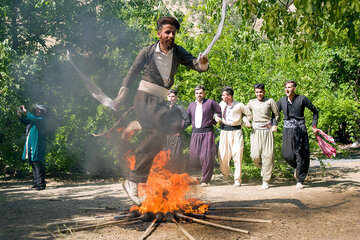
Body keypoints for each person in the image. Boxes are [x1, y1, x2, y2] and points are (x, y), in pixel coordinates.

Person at [114, 17, 209, 205]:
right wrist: (122, 95)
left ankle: (140, 125)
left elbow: (196, 65)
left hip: (160, 102)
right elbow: (131, 74)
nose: (171, 35)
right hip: (144, 97)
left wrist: (203, 62)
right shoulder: (147, 52)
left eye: (173, 32)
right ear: (159, 34)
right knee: (155, 135)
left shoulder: (178, 52)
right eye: (167, 32)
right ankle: (133, 181)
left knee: (167, 131)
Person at [277, 80, 318, 189]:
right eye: (286, 87)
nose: (287, 89)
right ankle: (298, 168)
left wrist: (314, 126)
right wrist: (273, 124)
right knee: (286, 154)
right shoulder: (281, 101)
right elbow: (274, 114)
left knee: (301, 154)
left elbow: (315, 111)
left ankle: (300, 180)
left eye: (290, 87)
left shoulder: (302, 99)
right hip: (287, 130)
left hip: (300, 129)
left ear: (294, 88)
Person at [216, 86, 252, 187]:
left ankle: (237, 179)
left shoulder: (239, 105)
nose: (222, 97)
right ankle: (225, 175)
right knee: (222, 155)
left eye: (224, 95)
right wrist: (216, 117)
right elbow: (215, 114)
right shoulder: (221, 105)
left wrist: (245, 122)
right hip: (224, 132)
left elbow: (249, 115)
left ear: (229, 96)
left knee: (237, 155)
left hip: (236, 132)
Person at [247, 83, 280, 190]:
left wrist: (275, 125)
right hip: (256, 131)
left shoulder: (270, 101)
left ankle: (265, 180)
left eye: (261, 91)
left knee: (268, 156)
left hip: (267, 131)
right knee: (255, 156)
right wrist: (246, 121)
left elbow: (276, 115)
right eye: (257, 92)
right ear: (255, 92)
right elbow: (245, 114)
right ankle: (263, 168)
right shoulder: (251, 102)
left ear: (264, 92)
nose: (259, 94)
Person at [186, 85, 221, 187]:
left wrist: (214, 120)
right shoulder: (191, 105)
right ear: (195, 94)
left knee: (206, 156)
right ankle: (202, 172)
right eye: (197, 93)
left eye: (200, 93)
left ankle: (205, 180)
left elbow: (219, 111)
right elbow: (187, 119)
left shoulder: (210, 102)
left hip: (207, 133)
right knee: (194, 156)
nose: (199, 95)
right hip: (195, 133)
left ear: (204, 93)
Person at [18, 104, 47, 190]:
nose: (37, 110)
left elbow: (33, 118)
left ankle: (41, 184)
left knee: (37, 163)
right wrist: (19, 115)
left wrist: (25, 111)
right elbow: (25, 121)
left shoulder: (41, 119)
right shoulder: (35, 120)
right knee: (32, 162)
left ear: (41, 111)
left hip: (37, 145)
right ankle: (36, 182)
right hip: (31, 144)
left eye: (38, 109)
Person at [162, 89, 189, 173]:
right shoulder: (162, 108)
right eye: (169, 96)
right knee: (164, 157)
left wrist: (180, 129)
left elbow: (188, 120)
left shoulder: (179, 108)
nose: (171, 98)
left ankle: (175, 176)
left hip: (176, 136)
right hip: (164, 137)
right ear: (167, 97)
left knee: (175, 157)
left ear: (176, 97)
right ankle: (166, 176)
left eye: (173, 96)